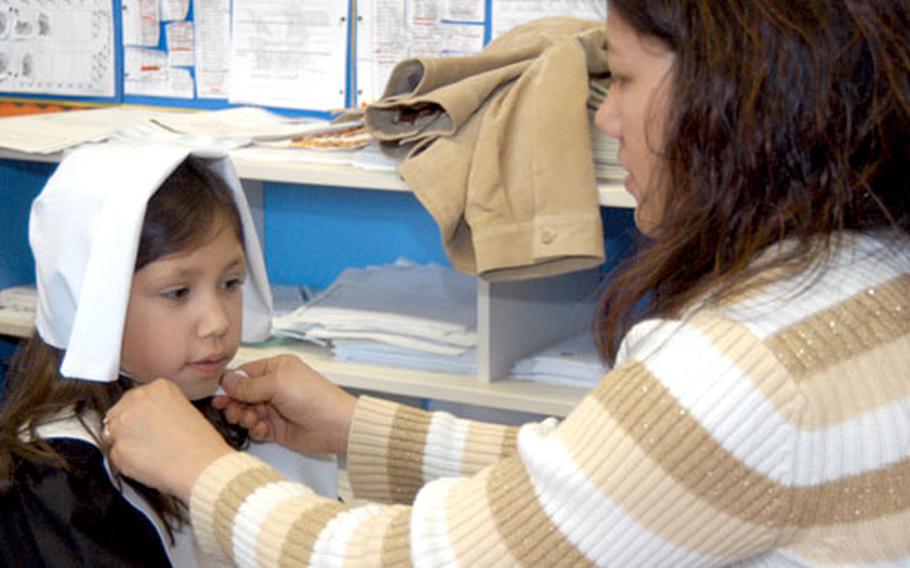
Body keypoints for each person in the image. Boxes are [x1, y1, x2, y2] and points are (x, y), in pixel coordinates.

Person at [105, 1, 910, 566]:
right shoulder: (872, 275)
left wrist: (203, 473)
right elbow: (631, 479)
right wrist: (358, 428)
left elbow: (410, 560)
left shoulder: (743, 367)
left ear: (737, 96)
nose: (605, 117)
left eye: (623, 79)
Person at [0, 142, 334, 566]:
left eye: (231, 283)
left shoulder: (252, 421)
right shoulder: (62, 482)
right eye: (177, 292)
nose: (217, 322)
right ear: (95, 303)